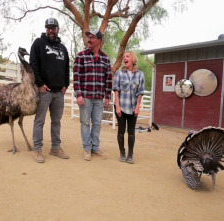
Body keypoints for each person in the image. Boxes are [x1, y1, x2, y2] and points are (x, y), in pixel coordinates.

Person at [29, 18, 70, 163]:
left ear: (58, 29)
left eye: (53, 28)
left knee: (56, 121)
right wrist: (39, 83)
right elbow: (33, 64)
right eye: (48, 28)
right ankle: (38, 149)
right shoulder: (39, 43)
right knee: (40, 120)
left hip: (59, 92)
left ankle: (55, 148)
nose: (50, 30)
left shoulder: (63, 48)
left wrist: (66, 84)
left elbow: (66, 68)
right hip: (44, 90)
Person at [73, 29, 112, 161]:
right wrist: (78, 94)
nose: (89, 40)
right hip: (85, 96)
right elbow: (76, 77)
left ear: (99, 41)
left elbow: (108, 79)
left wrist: (107, 96)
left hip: (99, 97)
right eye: (88, 37)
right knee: (85, 123)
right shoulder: (81, 56)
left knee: (97, 123)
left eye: (93, 37)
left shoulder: (105, 59)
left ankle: (95, 148)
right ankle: (87, 149)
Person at [113, 51, 145, 164]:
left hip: (133, 108)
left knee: (131, 132)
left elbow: (140, 92)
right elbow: (116, 91)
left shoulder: (140, 74)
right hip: (121, 106)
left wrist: (137, 107)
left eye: (127, 56)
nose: (124, 59)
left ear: (132, 59)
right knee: (121, 131)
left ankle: (130, 154)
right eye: (124, 57)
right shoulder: (119, 73)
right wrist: (117, 107)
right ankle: (122, 153)